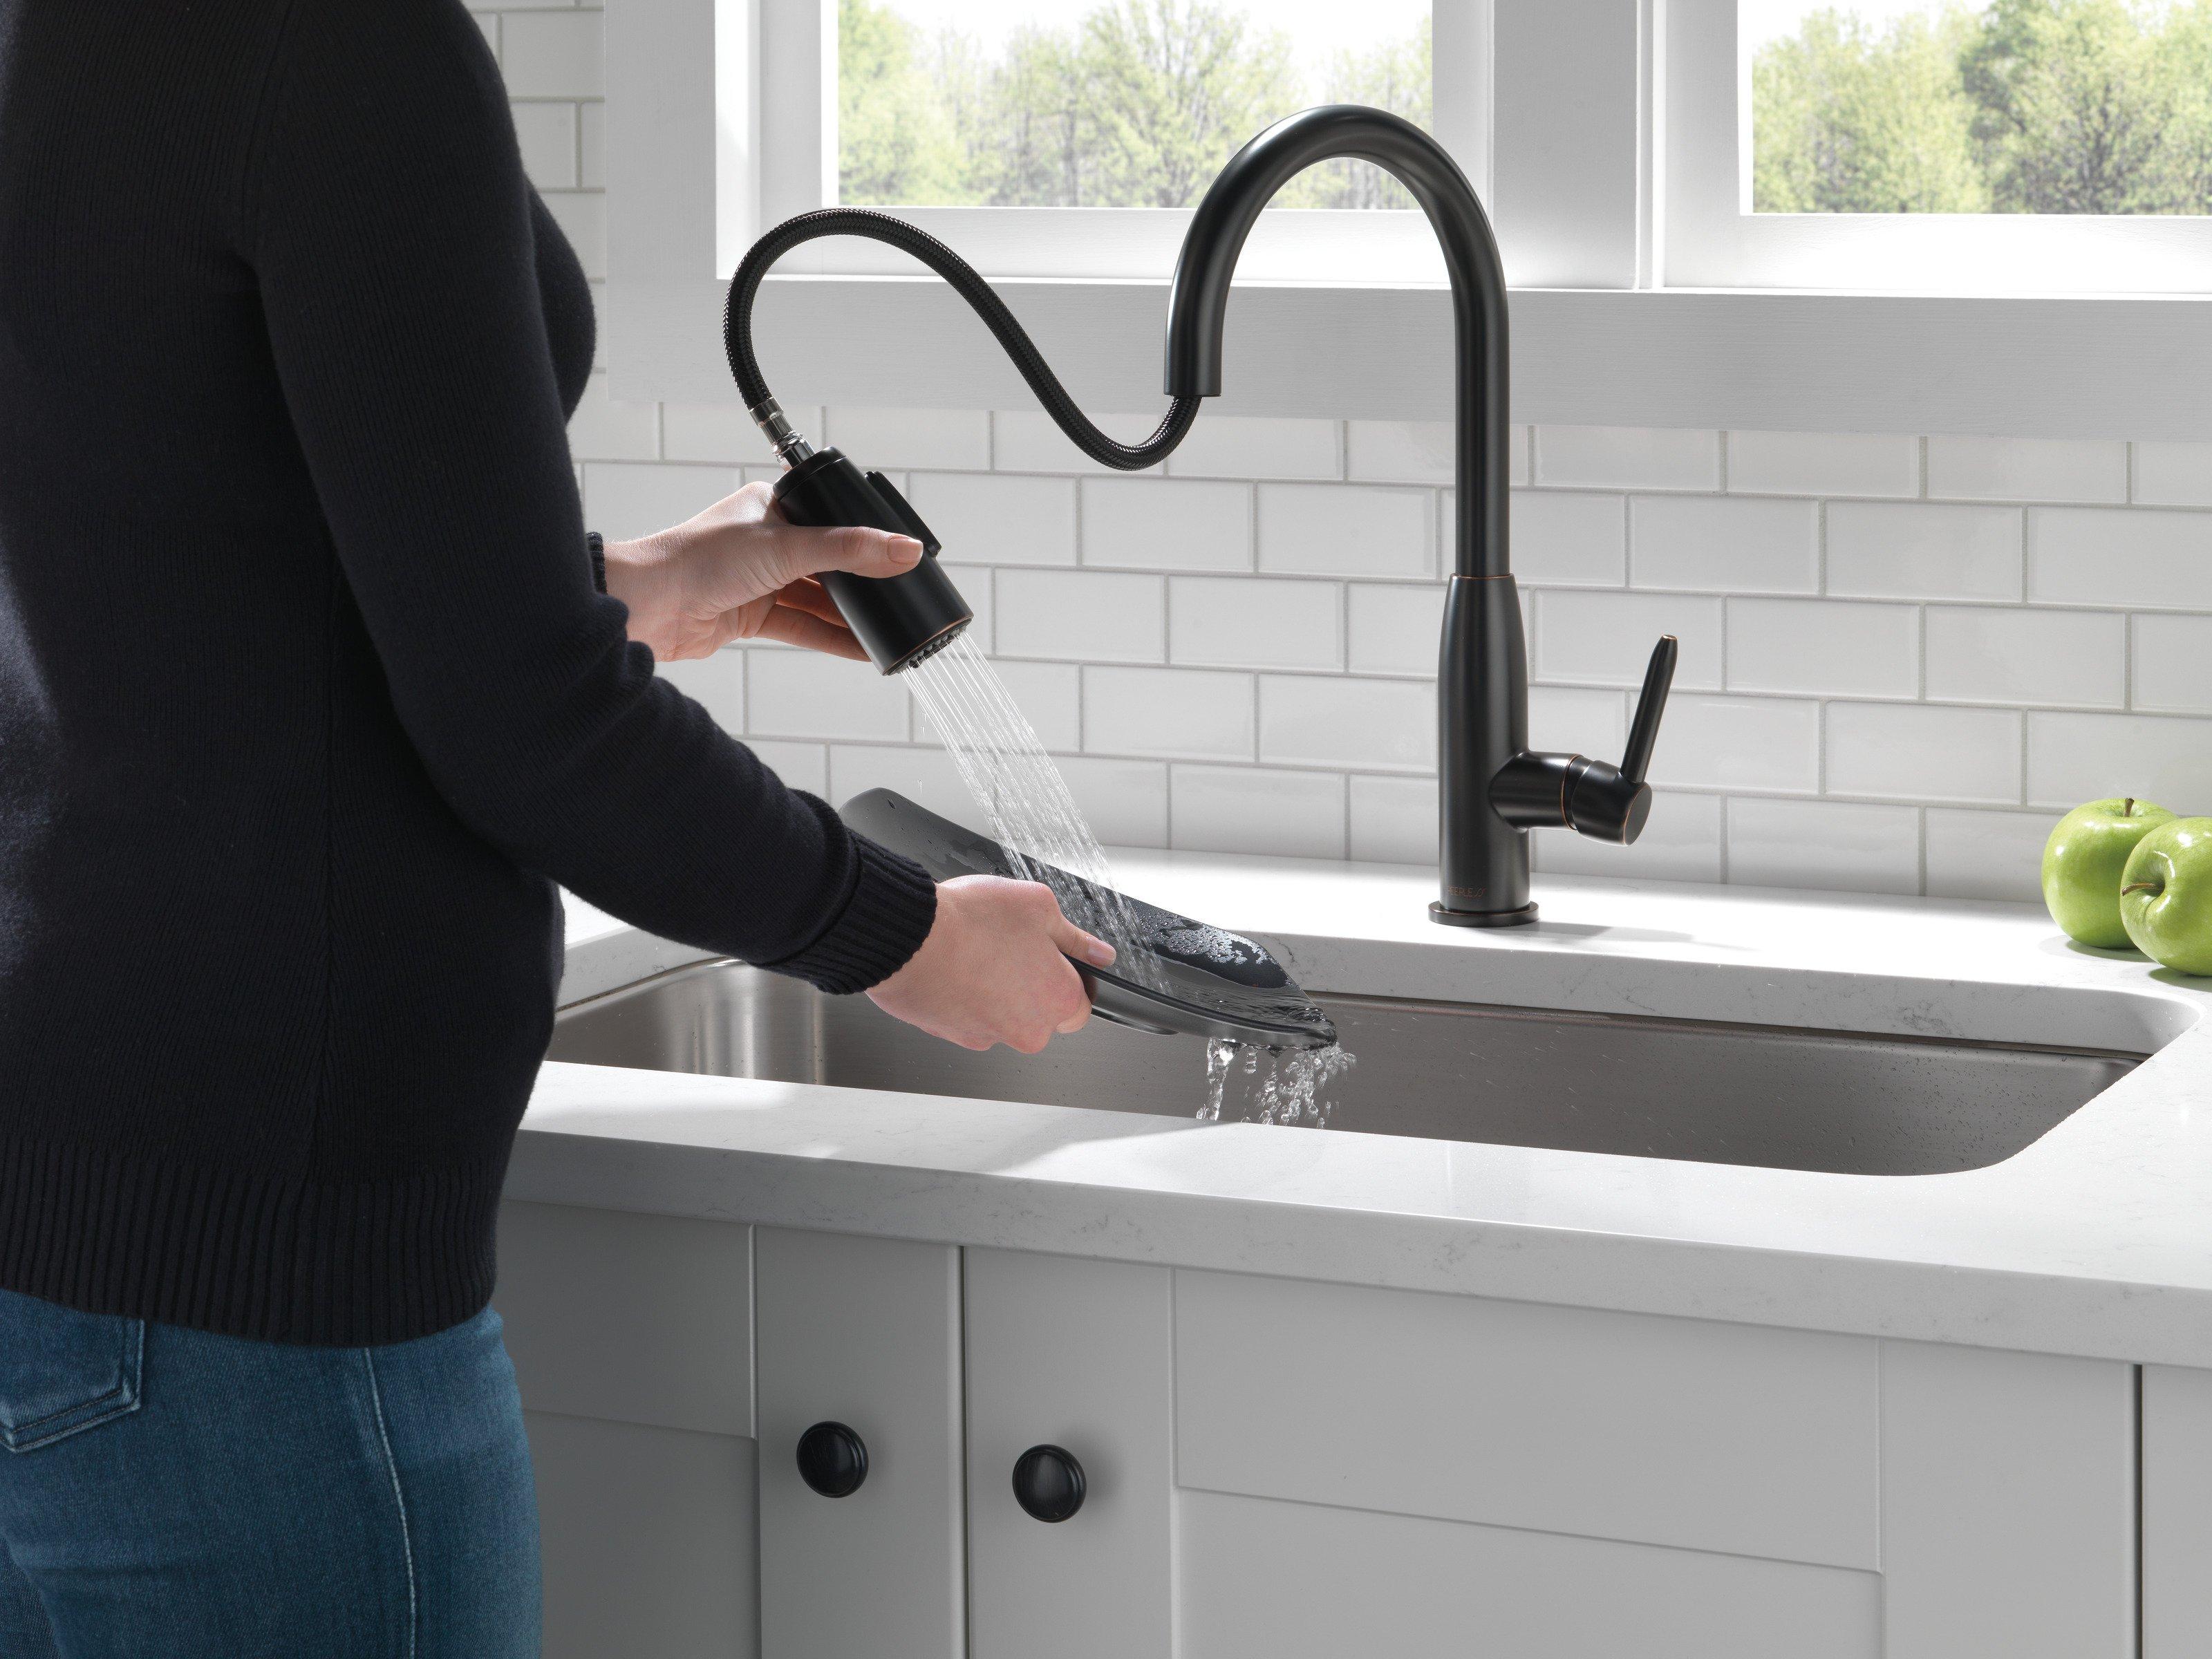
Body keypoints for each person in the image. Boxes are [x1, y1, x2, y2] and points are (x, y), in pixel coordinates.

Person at [0, 0, 1105, 1651]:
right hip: (256, 1290)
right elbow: (528, 726)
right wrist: (906, 937)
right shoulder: (337, 44)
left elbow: (161, 536)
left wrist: (629, 595)